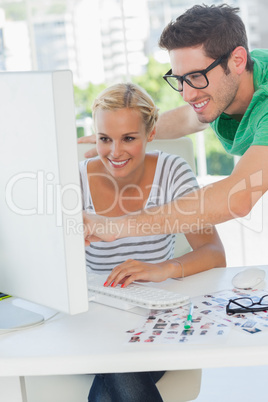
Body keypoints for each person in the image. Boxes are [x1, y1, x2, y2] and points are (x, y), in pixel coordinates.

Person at [82, 4, 268, 253]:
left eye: (196, 76)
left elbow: (238, 196)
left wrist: (115, 226)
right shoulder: (230, 83)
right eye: (180, 80)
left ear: (237, 60)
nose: (187, 94)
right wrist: (112, 137)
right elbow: (188, 119)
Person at [83, 82, 225, 402]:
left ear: (150, 134)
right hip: (93, 323)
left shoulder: (172, 172)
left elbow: (214, 253)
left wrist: (162, 269)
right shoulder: (73, 180)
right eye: (104, 139)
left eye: (128, 138)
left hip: (153, 322)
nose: (115, 152)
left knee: (120, 366)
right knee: (117, 362)